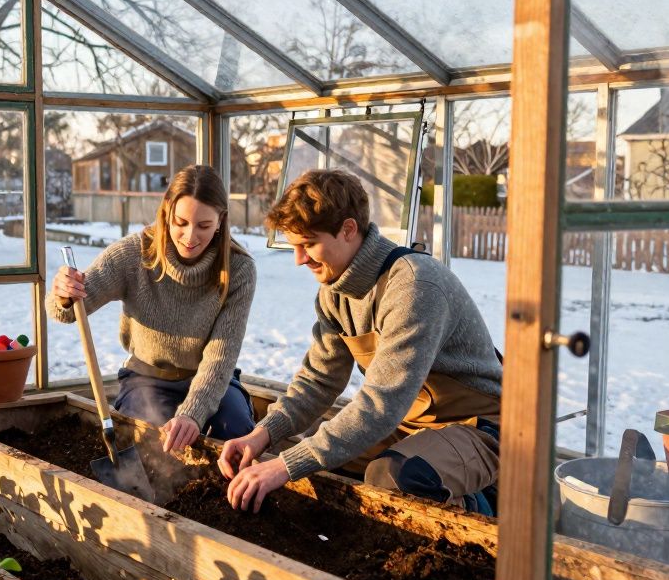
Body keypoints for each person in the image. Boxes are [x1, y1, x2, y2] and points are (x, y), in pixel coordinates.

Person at [219, 169, 502, 515]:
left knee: (395, 478)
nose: (299, 259)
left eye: (308, 243)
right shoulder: (335, 293)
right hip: (408, 425)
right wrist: (261, 435)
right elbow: (318, 382)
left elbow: (381, 404)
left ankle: (488, 505)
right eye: (294, 246)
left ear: (349, 229)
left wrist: (283, 465)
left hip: (479, 430)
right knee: (328, 466)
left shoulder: (414, 287)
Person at [49, 164, 257, 453]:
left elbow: (221, 355)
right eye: (180, 222)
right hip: (147, 379)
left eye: (204, 226)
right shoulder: (134, 255)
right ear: (166, 212)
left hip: (211, 380)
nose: (189, 236)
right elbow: (70, 310)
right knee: (147, 443)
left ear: (221, 220)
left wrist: (192, 413)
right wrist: (64, 294)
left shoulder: (238, 269)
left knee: (234, 431)